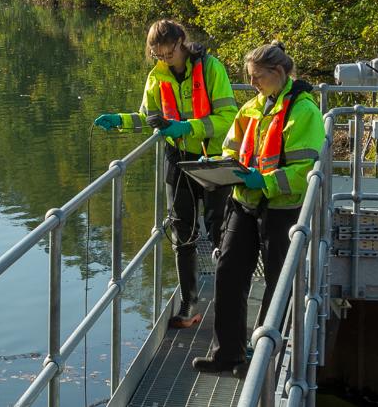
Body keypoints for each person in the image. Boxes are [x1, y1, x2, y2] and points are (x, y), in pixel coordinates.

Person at [93, 19, 237, 328]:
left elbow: (229, 118)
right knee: (181, 233)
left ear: (182, 42)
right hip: (178, 159)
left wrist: (190, 126)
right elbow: (148, 118)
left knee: (218, 230)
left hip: (212, 158)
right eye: (158, 55)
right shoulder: (156, 78)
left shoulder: (211, 69)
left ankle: (229, 300)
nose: (165, 59)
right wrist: (119, 120)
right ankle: (189, 303)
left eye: (169, 52)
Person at [193, 41, 323, 374]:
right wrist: (217, 165)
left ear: (278, 73)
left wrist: (261, 180)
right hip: (243, 203)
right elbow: (232, 150)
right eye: (250, 78)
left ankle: (265, 359)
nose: (252, 84)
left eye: (257, 78)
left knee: (278, 283)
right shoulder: (251, 108)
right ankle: (228, 354)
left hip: (281, 209)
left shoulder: (303, 111)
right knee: (229, 273)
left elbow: (303, 173)